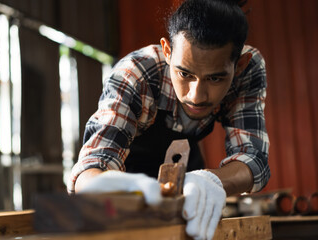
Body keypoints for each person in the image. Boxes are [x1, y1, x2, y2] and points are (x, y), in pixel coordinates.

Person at [68, 0, 270, 239]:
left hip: (189, 175)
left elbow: (254, 159)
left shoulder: (249, 69)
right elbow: (88, 175)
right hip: (127, 181)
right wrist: (128, 189)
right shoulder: (135, 74)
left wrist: (210, 180)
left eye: (215, 79)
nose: (196, 96)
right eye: (184, 73)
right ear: (167, 51)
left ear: (239, 65)